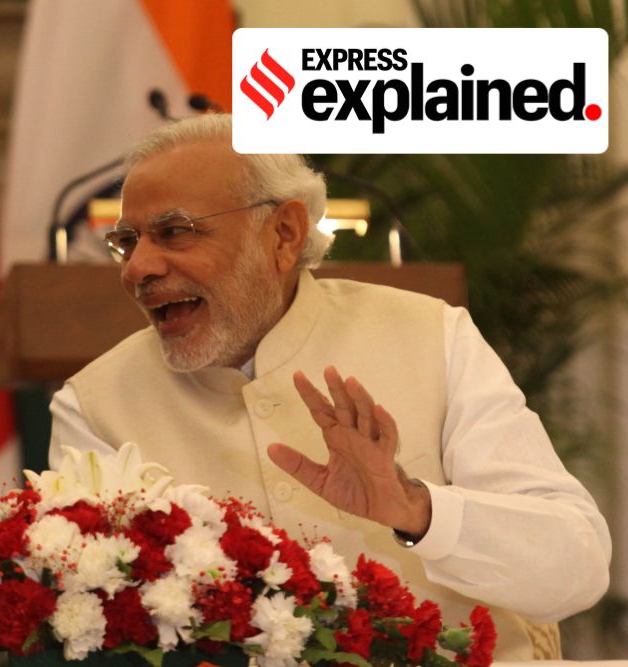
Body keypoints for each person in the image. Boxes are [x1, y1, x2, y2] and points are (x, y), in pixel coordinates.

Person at [49, 113, 611, 660]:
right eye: (127, 241)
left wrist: (418, 510)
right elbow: (94, 626)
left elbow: (576, 570)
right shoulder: (95, 404)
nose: (137, 268)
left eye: (174, 232)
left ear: (284, 233)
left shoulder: (431, 336)